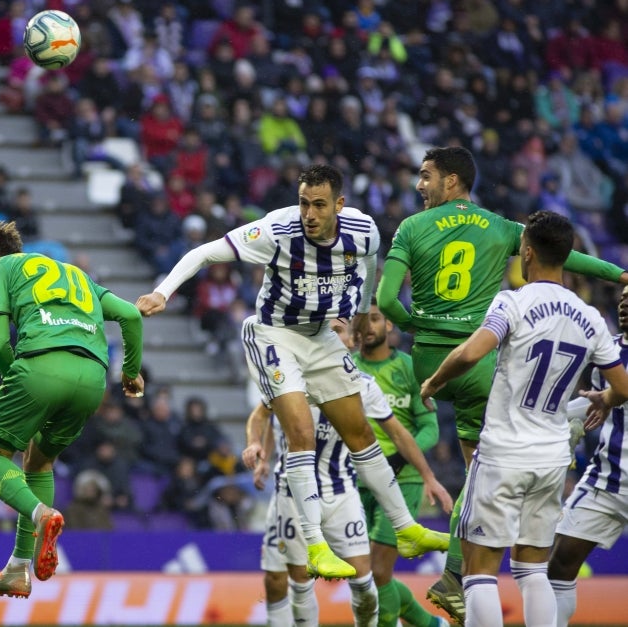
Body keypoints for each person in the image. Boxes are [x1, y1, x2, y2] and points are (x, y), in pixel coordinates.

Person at [138, 163, 450, 581]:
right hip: (273, 335)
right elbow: (205, 252)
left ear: (339, 204)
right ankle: (315, 546)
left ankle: (406, 528)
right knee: (301, 432)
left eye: (319, 205)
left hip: (320, 336)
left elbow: (370, 263)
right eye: (304, 203)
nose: (309, 213)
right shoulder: (276, 231)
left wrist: (359, 314)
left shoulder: (364, 230)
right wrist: (162, 292)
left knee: (359, 432)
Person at [376, 146, 628, 623]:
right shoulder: (588, 315)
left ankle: (444, 564)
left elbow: (393, 303)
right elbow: (574, 261)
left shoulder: (507, 301)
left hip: (461, 388)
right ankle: (449, 575)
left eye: (427, 175)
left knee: (482, 570)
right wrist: (619, 273)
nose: (419, 185)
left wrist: (425, 356)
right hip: (549, 452)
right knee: (534, 569)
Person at [0, 221, 144, 598]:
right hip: (93, 380)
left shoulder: (1, 269)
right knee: (39, 462)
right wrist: (131, 372)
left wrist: (24, 383)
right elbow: (131, 316)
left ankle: (41, 513)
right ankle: (18, 568)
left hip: (41, 368)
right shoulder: (78, 275)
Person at [243, 357, 451, 627]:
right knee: (297, 580)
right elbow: (264, 417)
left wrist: (428, 476)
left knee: (366, 580)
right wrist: (257, 448)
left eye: (339, 331)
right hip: (291, 496)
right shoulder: (286, 378)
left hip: (341, 491)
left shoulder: (362, 385)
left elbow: (399, 433)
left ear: (348, 341)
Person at [354, 301, 452, 627]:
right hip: (356, 481)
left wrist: (398, 457)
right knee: (364, 570)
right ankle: (430, 624)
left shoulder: (410, 368)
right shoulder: (345, 368)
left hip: (403, 479)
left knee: (378, 571)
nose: (368, 326)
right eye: (362, 320)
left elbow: (430, 428)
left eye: (375, 319)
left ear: (389, 326)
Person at [548, 283, 628, 627]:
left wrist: (610, 397)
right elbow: (594, 402)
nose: (624, 304)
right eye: (623, 299)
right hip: (609, 479)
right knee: (560, 562)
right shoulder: (608, 352)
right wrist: (553, 419)